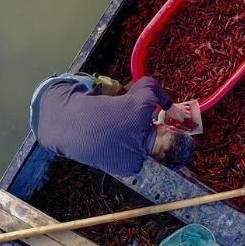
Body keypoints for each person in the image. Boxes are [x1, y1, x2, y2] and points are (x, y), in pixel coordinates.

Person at [29, 72, 194, 176]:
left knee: (112, 88)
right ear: (156, 162)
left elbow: (149, 82)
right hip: (40, 134)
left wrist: (170, 107)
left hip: (50, 90)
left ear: (171, 127)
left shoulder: (141, 107)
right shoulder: (128, 170)